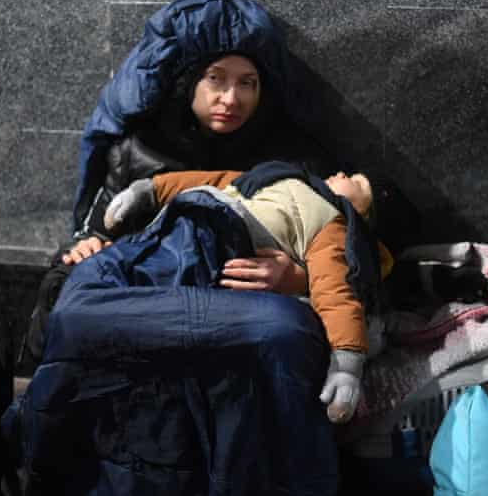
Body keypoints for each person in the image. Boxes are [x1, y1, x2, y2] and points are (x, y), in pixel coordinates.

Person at [8, 0, 369, 495]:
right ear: (187, 82)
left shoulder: (293, 159)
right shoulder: (136, 152)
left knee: (275, 339)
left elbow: (352, 253)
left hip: (236, 309)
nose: (232, 98)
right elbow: (96, 234)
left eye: (249, 83)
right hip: (146, 300)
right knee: (71, 305)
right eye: (215, 79)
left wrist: (299, 279)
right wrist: (86, 245)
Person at [102, 163, 383, 423]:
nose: (345, 175)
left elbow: (335, 291)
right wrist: (149, 190)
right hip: (190, 212)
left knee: (153, 282)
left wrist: (346, 364)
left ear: (362, 213)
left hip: (225, 240)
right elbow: (215, 179)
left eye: (358, 183)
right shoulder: (277, 173)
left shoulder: (331, 223)